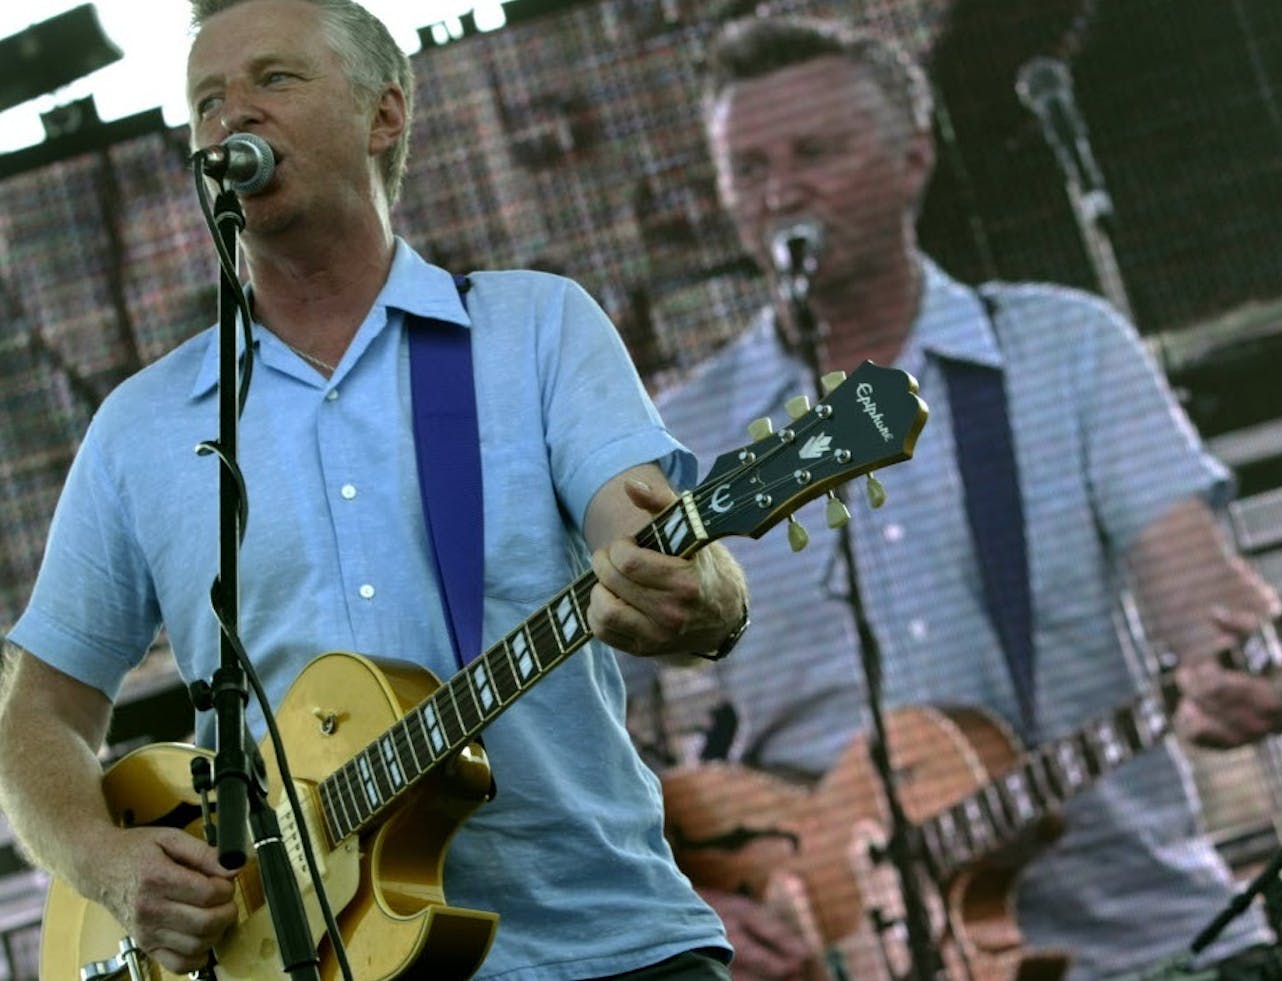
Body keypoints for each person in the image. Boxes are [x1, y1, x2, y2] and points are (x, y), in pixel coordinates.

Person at [0, 1, 750, 979]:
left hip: (604, 947)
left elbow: (646, 534)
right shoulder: (144, 427)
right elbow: (37, 714)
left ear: (383, 113)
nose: (233, 117)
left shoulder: (533, 331)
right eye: (206, 101)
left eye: (274, 80)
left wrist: (694, 595)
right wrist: (105, 863)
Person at [621, 15, 1282, 981]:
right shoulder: (676, 440)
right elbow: (568, 720)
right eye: (748, 167)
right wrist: (676, 897)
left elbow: (1201, 593)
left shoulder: (1065, 349)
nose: (781, 193)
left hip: (1144, 939)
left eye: (817, 153)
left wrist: (1244, 660)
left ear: (914, 160)